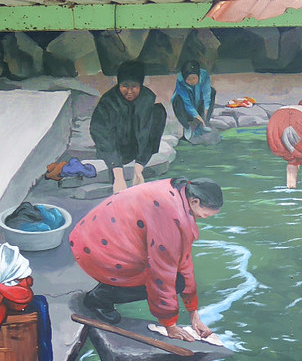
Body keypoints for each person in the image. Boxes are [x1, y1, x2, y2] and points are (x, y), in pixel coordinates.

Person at [70, 176, 222, 341]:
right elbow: (162, 274)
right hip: (96, 249)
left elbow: (183, 262)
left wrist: (194, 314)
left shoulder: (178, 192)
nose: (202, 219)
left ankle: (106, 290)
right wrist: (169, 325)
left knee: (177, 278)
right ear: (195, 202)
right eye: (204, 215)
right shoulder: (170, 217)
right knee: (173, 280)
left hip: (96, 233)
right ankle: (99, 299)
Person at [90, 60, 166, 194]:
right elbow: (102, 134)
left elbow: (148, 135)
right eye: (125, 86)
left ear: (140, 86)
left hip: (137, 150)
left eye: (134, 86)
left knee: (159, 111)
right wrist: (118, 174)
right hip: (116, 151)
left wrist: (139, 167)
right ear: (119, 84)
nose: (129, 91)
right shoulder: (108, 102)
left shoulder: (147, 99)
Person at [171, 60, 218, 144]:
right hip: (186, 106)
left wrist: (204, 116)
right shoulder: (180, 80)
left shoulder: (204, 75)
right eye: (189, 79)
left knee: (212, 91)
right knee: (177, 99)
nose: (192, 81)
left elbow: (207, 95)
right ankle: (187, 126)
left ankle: (204, 124)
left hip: (199, 100)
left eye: (194, 78)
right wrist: (197, 117)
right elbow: (187, 103)